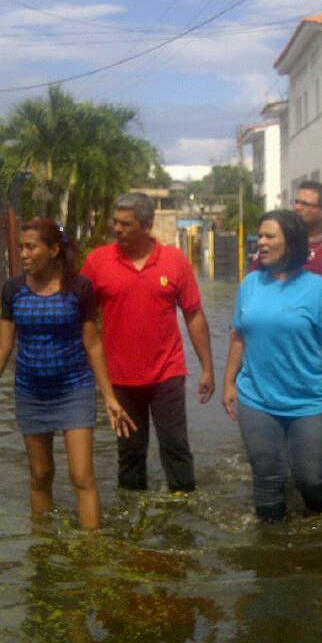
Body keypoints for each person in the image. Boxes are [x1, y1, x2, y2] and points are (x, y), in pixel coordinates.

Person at [0, 218, 135, 530]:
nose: (22, 253)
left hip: (74, 390)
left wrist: (109, 397)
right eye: (21, 247)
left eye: (30, 247)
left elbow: (92, 344)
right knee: (40, 475)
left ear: (52, 250)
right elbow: (2, 345)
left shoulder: (79, 288)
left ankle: (93, 555)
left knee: (82, 476)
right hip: (31, 393)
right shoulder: (13, 290)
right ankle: (44, 549)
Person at [223, 209, 322, 522]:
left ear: (292, 243)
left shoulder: (317, 290)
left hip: (310, 401)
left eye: (269, 236)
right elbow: (239, 338)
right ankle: (270, 556)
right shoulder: (250, 285)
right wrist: (229, 382)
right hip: (257, 399)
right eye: (260, 235)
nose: (261, 242)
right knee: (267, 479)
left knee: (310, 478)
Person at [81, 192, 215, 493]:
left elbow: (194, 315)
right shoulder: (97, 262)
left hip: (167, 372)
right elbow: (81, 319)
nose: (117, 229)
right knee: (130, 454)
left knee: (175, 447)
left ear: (146, 225)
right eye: (115, 222)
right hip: (120, 378)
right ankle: (131, 524)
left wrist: (207, 367)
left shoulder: (174, 261)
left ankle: (183, 516)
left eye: (125, 224)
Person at [253, 181, 322, 347]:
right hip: (278, 340)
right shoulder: (277, 243)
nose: (297, 208)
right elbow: (253, 286)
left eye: (305, 204)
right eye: (296, 202)